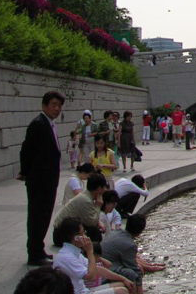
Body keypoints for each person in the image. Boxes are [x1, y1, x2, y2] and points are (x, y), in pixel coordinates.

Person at [19, 90, 65, 266]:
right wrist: (25, 173)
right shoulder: (38, 124)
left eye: (59, 105)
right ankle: (34, 254)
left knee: (44, 215)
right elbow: (26, 150)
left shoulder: (49, 123)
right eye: (53, 105)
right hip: (40, 181)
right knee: (38, 216)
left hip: (47, 180)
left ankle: (39, 249)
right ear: (44, 105)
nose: (57, 108)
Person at [53, 217, 133, 294]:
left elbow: (97, 269)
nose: (86, 236)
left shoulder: (74, 253)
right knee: (122, 291)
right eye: (83, 233)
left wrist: (124, 279)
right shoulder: (66, 257)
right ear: (76, 237)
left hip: (83, 290)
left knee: (122, 284)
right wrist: (90, 252)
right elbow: (91, 276)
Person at [52, 172, 109, 246]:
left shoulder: (86, 196)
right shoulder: (85, 200)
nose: (105, 190)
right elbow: (91, 223)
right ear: (99, 188)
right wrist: (98, 205)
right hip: (61, 236)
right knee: (94, 232)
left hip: (63, 231)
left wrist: (98, 222)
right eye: (104, 187)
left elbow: (91, 218)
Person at [102, 214, 147, 292]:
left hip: (105, 263)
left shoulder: (116, 232)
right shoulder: (129, 244)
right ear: (140, 231)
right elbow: (134, 269)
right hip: (107, 269)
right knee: (132, 273)